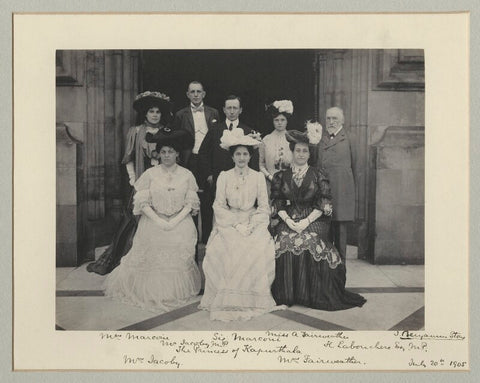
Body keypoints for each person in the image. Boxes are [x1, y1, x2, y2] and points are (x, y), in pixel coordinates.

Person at [104, 129, 201, 312]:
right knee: (153, 247)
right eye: (163, 152)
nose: (166, 156)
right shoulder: (150, 174)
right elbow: (142, 202)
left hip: (180, 222)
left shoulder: (187, 174)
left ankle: (172, 291)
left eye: (170, 152)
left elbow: (191, 203)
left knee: (179, 246)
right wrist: (160, 221)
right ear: (158, 154)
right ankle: (151, 290)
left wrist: (174, 222)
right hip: (154, 221)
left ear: (177, 154)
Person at [271, 127, 366, 311]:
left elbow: (323, 204)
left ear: (309, 153)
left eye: (304, 151)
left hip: (314, 219)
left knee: (310, 241)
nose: (301, 154)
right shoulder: (281, 175)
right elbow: (277, 203)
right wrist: (290, 222)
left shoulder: (318, 174)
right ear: (292, 151)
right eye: (297, 150)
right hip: (288, 218)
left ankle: (311, 294)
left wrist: (306, 223)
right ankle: (288, 294)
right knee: (283, 242)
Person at [199, 128, 283, 321]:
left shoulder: (258, 177)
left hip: (253, 221)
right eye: (238, 153)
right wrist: (236, 224)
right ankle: (229, 297)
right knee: (226, 248)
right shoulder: (224, 176)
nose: (242, 157)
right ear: (232, 156)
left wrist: (252, 225)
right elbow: (218, 205)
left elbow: (263, 206)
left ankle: (252, 299)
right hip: (229, 222)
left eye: (245, 153)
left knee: (257, 247)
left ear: (250, 156)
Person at [87, 91, 173, 275]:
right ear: (145, 113)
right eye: (151, 111)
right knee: (137, 219)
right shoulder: (135, 132)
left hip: (162, 182)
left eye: (158, 112)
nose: (155, 115)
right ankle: (131, 260)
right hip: (142, 181)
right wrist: (134, 180)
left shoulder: (166, 132)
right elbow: (129, 159)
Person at [173, 81, 219, 244]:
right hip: (189, 160)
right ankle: (191, 239)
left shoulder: (213, 113)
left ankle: (206, 240)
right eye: (192, 92)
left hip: (207, 160)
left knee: (207, 199)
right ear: (187, 94)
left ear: (204, 94)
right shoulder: (180, 115)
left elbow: (217, 139)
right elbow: (177, 140)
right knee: (190, 198)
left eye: (199, 91)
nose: (196, 95)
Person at [315, 107, 356, 265]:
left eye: (335, 119)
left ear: (342, 121)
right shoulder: (320, 138)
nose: (331, 122)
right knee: (324, 234)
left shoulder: (350, 138)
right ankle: (325, 272)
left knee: (340, 235)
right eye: (328, 119)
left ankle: (340, 273)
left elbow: (356, 168)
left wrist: (351, 196)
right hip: (323, 193)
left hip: (342, 194)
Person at [198, 95, 259, 197]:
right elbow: (203, 153)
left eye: (235, 108)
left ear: (240, 110)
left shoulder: (248, 131)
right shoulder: (214, 130)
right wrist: (209, 175)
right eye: (229, 108)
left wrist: (251, 178)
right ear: (224, 110)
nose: (231, 111)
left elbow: (253, 158)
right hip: (218, 178)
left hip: (241, 180)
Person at [259, 99, 294, 194]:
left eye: (282, 120)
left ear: (287, 121)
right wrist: (270, 177)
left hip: (289, 183)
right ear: (273, 121)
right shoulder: (266, 140)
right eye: (276, 120)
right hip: (270, 183)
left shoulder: (293, 139)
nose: (279, 123)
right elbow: (261, 164)